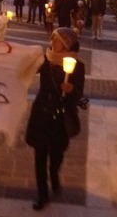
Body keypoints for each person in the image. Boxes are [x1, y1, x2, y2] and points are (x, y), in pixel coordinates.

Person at [25, 27, 85, 211]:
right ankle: (42, 194)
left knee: (57, 152)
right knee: (40, 154)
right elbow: (26, 68)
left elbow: (79, 94)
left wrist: (71, 90)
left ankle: (54, 173)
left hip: (61, 115)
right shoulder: (45, 60)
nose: (52, 43)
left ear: (66, 44)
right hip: (42, 112)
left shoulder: (78, 65)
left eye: (57, 40)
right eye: (52, 39)